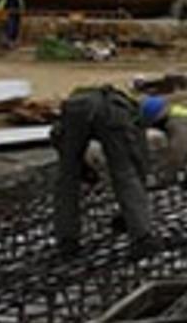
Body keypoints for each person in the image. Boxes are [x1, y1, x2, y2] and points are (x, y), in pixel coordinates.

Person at [53, 86, 157, 258]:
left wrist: (80, 169)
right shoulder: (128, 112)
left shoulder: (76, 102)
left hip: (76, 110)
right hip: (112, 112)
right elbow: (137, 157)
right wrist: (143, 181)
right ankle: (142, 238)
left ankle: (67, 240)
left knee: (66, 179)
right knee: (125, 174)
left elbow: (58, 139)